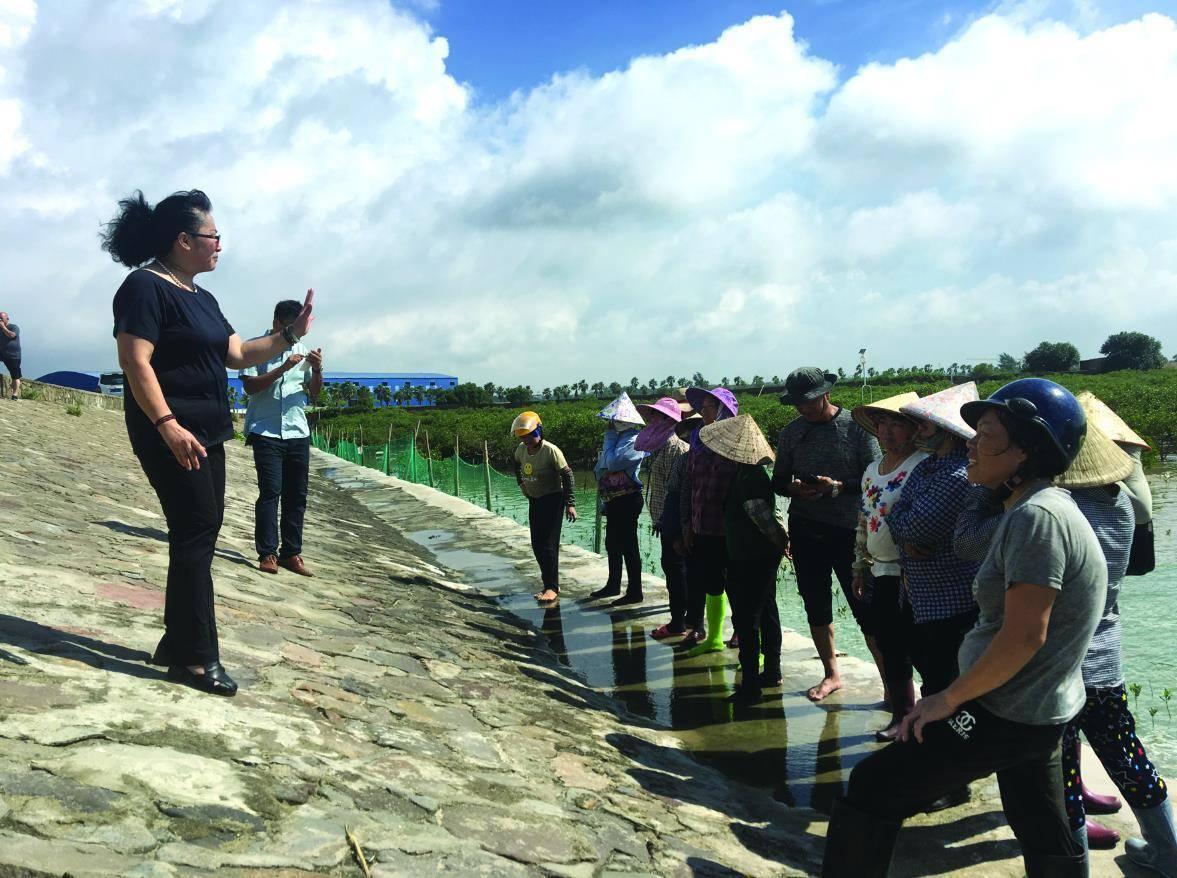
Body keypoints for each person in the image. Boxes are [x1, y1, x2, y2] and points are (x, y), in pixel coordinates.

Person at [823, 378, 1103, 877]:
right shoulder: (1025, 508)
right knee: (1040, 823)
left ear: (1027, 450)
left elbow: (1023, 636)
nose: (970, 442)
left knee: (873, 786)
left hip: (1008, 709)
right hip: (1037, 707)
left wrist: (948, 698)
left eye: (985, 433)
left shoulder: (1036, 519)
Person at [104, 189, 314, 697]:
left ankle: (178, 642)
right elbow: (135, 361)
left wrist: (289, 334)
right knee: (197, 530)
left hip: (209, 430)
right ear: (183, 240)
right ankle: (197, 657)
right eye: (212, 235)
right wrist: (167, 424)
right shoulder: (144, 287)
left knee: (198, 531)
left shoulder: (201, 296)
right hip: (171, 429)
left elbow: (239, 354)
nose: (220, 244)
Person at [772, 367, 880, 701]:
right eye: (798, 403)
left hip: (849, 531)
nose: (803, 408)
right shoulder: (792, 432)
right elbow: (777, 480)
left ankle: (892, 683)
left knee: (866, 609)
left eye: (809, 401)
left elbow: (874, 479)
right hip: (806, 528)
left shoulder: (858, 429)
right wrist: (793, 489)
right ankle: (831, 674)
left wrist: (837, 488)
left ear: (826, 395)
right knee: (815, 604)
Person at [884, 384, 982, 718]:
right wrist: (902, 527)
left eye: (925, 424)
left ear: (948, 432)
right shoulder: (928, 467)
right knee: (931, 674)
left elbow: (911, 525)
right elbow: (894, 518)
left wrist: (902, 527)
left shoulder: (957, 475)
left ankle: (946, 753)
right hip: (921, 597)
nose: (919, 429)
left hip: (951, 601)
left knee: (944, 683)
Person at [849, 392, 927, 740]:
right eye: (882, 424)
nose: (888, 431)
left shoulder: (923, 466)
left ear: (915, 430)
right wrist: (859, 565)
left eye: (897, 424)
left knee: (923, 650)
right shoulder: (871, 470)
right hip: (880, 570)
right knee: (889, 644)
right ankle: (901, 716)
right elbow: (865, 520)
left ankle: (931, 719)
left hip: (914, 574)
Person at [699, 414, 790, 704]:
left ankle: (751, 684)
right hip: (756, 554)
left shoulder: (749, 477)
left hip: (753, 556)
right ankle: (771, 671)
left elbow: (761, 517)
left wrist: (782, 542)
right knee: (766, 611)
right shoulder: (747, 474)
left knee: (747, 617)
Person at [240, 300, 324, 576]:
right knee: (270, 492)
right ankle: (267, 553)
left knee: (297, 496)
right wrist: (283, 368)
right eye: (290, 326)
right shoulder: (256, 348)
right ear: (277, 323)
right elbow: (250, 387)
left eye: (298, 327)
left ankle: (292, 553)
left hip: (297, 431)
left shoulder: (303, 350)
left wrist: (319, 370)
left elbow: (314, 393)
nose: (294, 333)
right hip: (265, 432)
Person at [680, 386, 740, 654]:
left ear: (724, 410)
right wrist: (688, 523)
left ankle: (746, 638)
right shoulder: (697, 438)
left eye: (709, 407)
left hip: (732, 527)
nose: (703, 412)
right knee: (712, 581)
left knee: (739, 585)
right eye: (701, 407)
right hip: (704, 523)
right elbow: (690, 484)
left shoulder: (738, 440)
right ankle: (714, 638)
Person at [634, 396, 692, 639]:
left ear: (668, 420)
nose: (650, 421)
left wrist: (673, 527)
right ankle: (685, 618)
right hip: (665, 522)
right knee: (674, 570)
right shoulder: (661, 449)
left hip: (675, 524)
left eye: (655, 416)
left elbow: (677, 494)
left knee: (676, 571)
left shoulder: (677, 449)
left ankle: (678, 623)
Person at [512, 410, 577, 603]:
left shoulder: (551, 450)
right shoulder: (521, 450)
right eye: (523, 437)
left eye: (530, 436)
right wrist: (521, 484)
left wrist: (570, 503)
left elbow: (567, 475)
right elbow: (516, 465)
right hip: (535, 500)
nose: (527, 441)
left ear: (539, 431)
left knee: (549, 545)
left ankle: (552, 587)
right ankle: (547, 583)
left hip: (552, 500)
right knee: (537, 544)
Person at [589, 392, 646, 606]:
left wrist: (610, 439)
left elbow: (612, 463)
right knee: (612, 543)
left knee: (629, 546)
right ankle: (613, 584)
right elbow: (601, 467)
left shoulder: (634, 439)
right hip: (612, 499)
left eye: (615, 420)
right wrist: (609, 443)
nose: (611, 424)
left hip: (628, 499)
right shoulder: (617, 439)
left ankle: (635, 591)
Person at [0, 311, 21, 400]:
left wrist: (3, 327)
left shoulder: (14, 327)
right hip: (2, 353)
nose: (0, 320)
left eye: (1, 318)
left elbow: (11, 335)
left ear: (7, 319)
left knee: (15, 376)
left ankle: (15, 395)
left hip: (13, 355)